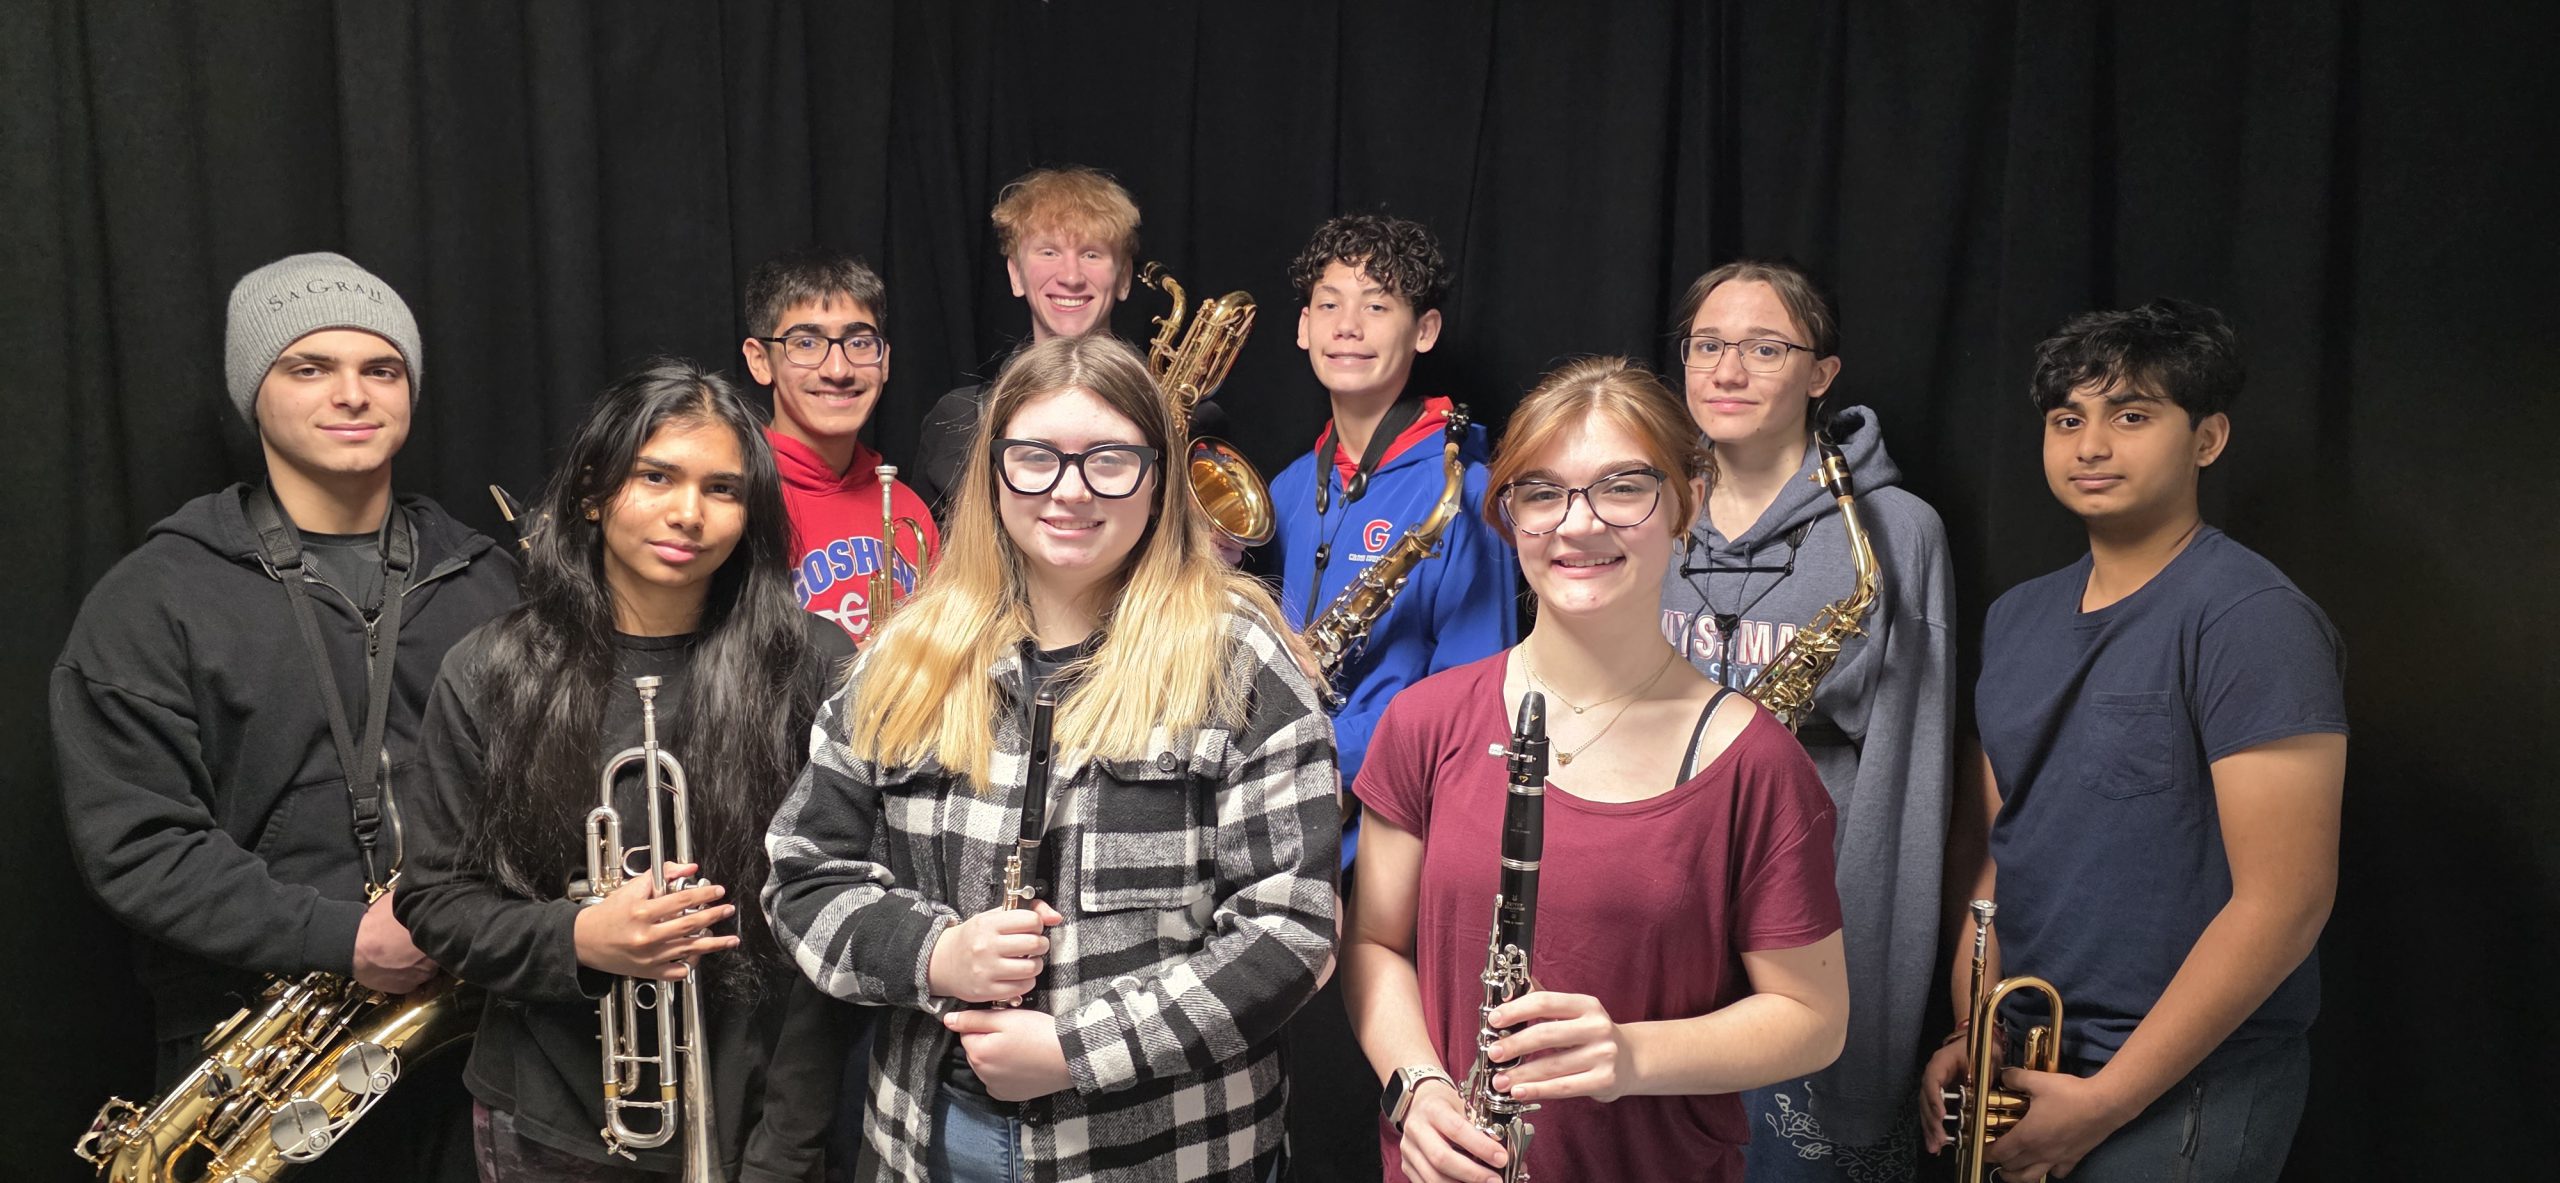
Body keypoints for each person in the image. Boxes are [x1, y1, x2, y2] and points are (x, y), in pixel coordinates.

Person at [766, 334, 1338, 1182]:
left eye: (1110, 460)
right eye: (1035, 458)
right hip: (928, 1145)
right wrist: (937, 956)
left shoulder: (1239, 655)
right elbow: (804, 876)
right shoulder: (905, 654)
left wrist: (1080, 1049)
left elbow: (1290, 929)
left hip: (1168, 1154)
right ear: (994, 470)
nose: (1070, 490)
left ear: (1158, 474)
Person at [53, 252, 519, 1180]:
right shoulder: (153, 597)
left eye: (380, 368)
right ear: (251, 393)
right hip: (264, 1058)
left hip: (485, 1044)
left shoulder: (496, 581)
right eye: (309, 367)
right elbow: (137, 841)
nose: (352, 393)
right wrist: (343, 937)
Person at [1345, 357, 1850, 1183]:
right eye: (1542, 492)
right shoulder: (1426, 720)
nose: (1577, 526)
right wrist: (1418, 1088)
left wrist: (1628, 1055)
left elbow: (1814, 1017)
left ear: (1687, 501)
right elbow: (1372, 943)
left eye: (1622, 487)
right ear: (1509, 517)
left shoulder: (1754, 760)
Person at [395, 361, 856, 1181]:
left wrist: (788, 1147)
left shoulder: (815, 665)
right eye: (656, 476)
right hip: (552, 1121)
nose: (688, 512)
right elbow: (437, 897)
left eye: (722, 487)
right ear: (592, 491)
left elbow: (836, 914)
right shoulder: (494, 667)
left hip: (769, 1112)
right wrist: (580, 937)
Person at [1919, 300, 2346, 1183]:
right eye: (2067, 419)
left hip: (2185, 1086)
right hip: (2034, 1063)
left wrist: (2107, 1100)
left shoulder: (2250, 619)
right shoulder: (2017, 616)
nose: (2091, 446)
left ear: (2209, 438)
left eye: (2133, 415)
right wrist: (1973, 1037)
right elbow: (1997, 858)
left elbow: (2287, 902)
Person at [1657, 259, 1955, 1179]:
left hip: (1806, 936)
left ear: (1821, 373)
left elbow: (1908, 788)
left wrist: (1865, 1005)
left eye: (1764, 347)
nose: (1728, 371)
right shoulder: (1643, 506)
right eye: (1708, 345)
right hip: (1655, 929)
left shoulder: (1896, 531)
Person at [908, 165, 1227, 521]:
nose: (1071, 277)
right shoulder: (957, 421)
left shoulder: (1192, 418)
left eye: (1092, 254)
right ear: (1015, 274)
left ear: (1123, 278)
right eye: (1048, 252)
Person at [739, 246, 940, 647]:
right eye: (807, 344)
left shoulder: (908, 510)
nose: (838, 370)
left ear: (884, 362)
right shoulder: (733, 497)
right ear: (760, 360)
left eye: (860, 343)